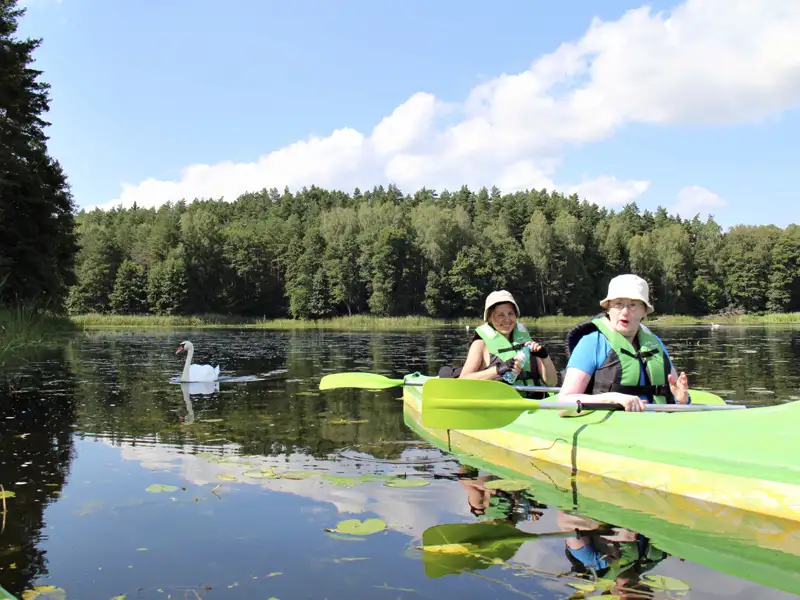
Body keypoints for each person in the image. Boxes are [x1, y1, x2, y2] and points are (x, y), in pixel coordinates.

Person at [559, 274, 690, 412]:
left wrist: (682, 400)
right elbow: (563, 404)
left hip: (653, 425)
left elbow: (675, 394)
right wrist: (611, 398)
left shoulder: (654, 343)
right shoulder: (592, 343)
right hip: (610, 427)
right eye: (618, 304)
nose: (625, 312)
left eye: (633, 305)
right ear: (608, 309)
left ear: (644, 311)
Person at [459, 290, 558, 395]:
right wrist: (498, 370)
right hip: (499, 406)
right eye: (500, 315)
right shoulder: (480, 344)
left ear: (516, 315)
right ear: (489, 318)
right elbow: (462, 382)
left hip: (532, 403)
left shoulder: (527, 343)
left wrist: (545, 357)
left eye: (510, 313)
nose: (507, 319)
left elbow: (552, 383)